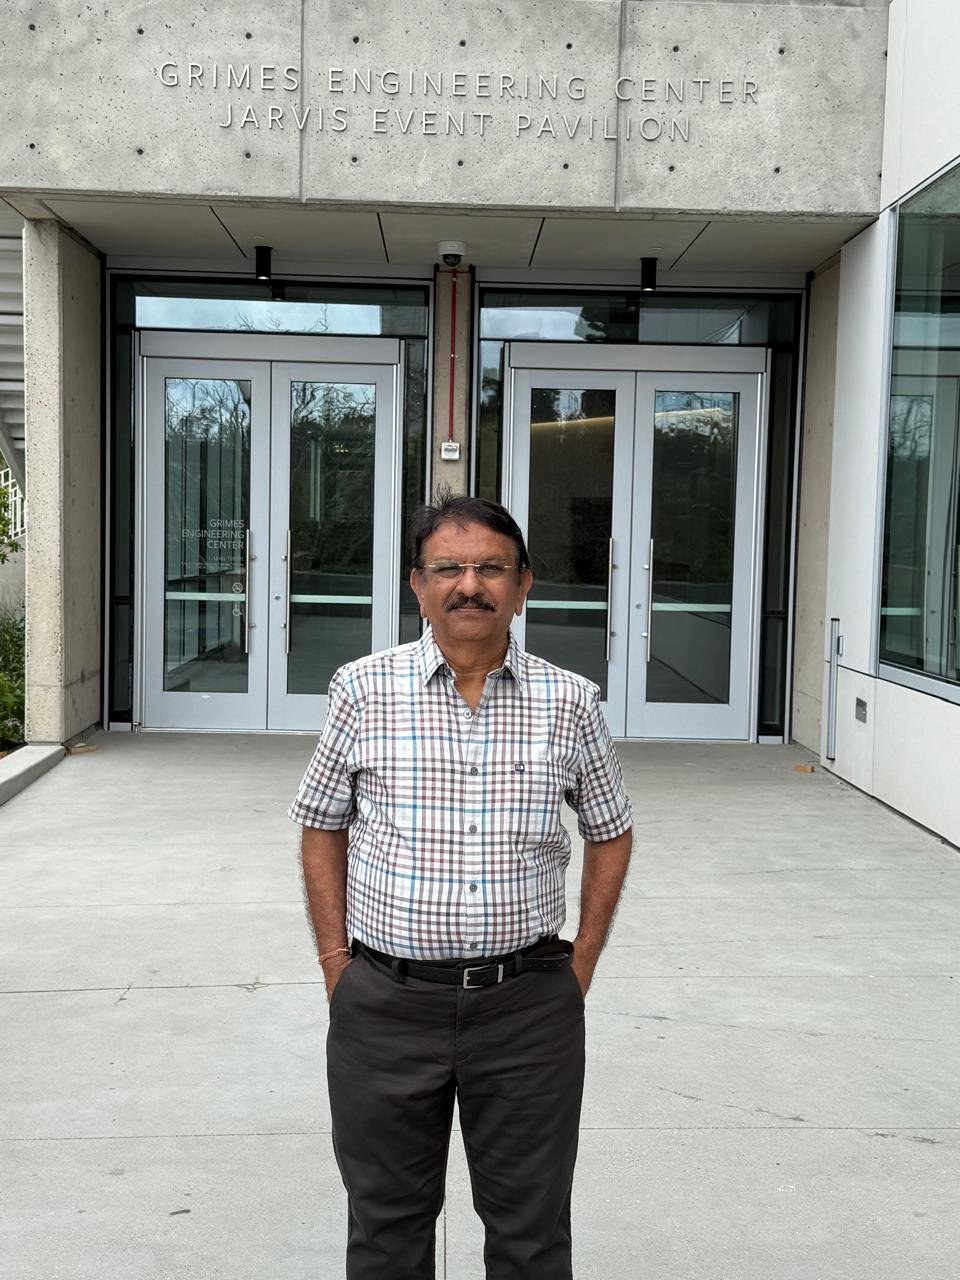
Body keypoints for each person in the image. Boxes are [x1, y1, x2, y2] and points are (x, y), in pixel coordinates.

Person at [289, 490, 633, 1280]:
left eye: (490, 569)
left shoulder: (570, 702)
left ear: (523, 585)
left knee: (531, 1234)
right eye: (448, 568)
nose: (469, 585)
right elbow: (319, 823)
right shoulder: (362, 690)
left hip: (527, 1011)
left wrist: (579, 965)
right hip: (385, 1005)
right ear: (418, 584)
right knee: (385, 1230)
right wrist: (337, 965)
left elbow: (611, 831)